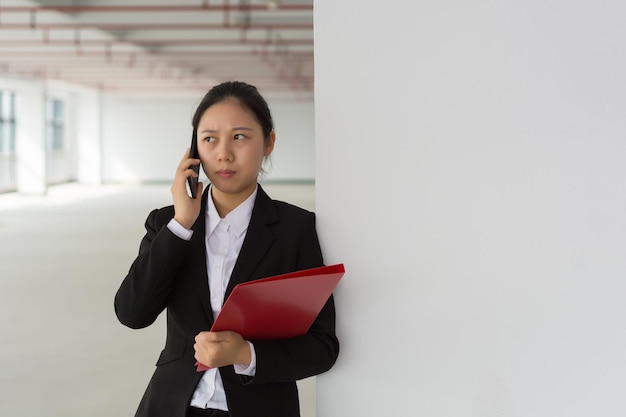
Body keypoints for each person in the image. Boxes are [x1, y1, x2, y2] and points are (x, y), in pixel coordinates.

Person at [114, 81, 339, 417]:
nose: (223, 154)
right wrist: (181, 225)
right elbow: (132, 313)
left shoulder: (296, 229)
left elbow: (322, 347)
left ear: (269, 143)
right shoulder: (167, 224)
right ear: (193, 151)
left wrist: (245, 354)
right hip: (173, 406)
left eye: (239, 136)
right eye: (209, 139)